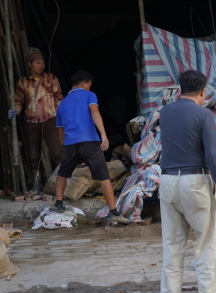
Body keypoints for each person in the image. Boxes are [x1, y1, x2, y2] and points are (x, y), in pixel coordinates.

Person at [158, 70, 216, 293]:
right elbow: (212, 153)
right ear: (203, 91)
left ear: (179, 89)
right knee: (205, 241)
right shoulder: (204, 114)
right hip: (195, 182)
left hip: (167, 182)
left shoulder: (165, 113)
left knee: (171, 242)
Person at [53, 70, 130, 224]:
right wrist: (103, 134)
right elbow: (94, 112)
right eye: (89, 85)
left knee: (62, 173)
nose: (89, 87)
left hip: (70, 144)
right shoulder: (89, 95)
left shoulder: (62, 104)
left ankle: (58, 204)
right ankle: (113, 212)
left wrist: (65, 146)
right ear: (84, 83)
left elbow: (60, 133)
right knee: (103, 176)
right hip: (89, 141)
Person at [9, 48, 63, 192]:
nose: (41, 65)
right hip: (31, 122)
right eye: (38, 63)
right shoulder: (22, 83)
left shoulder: (51, 79)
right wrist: (15, 109)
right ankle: (36, 186)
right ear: (29, 64)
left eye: (43, 63)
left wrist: (63, 113)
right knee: (33, 155)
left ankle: (61, 184)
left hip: (51, 119)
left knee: (57, 153)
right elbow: (19, 100)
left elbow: (59, 98)